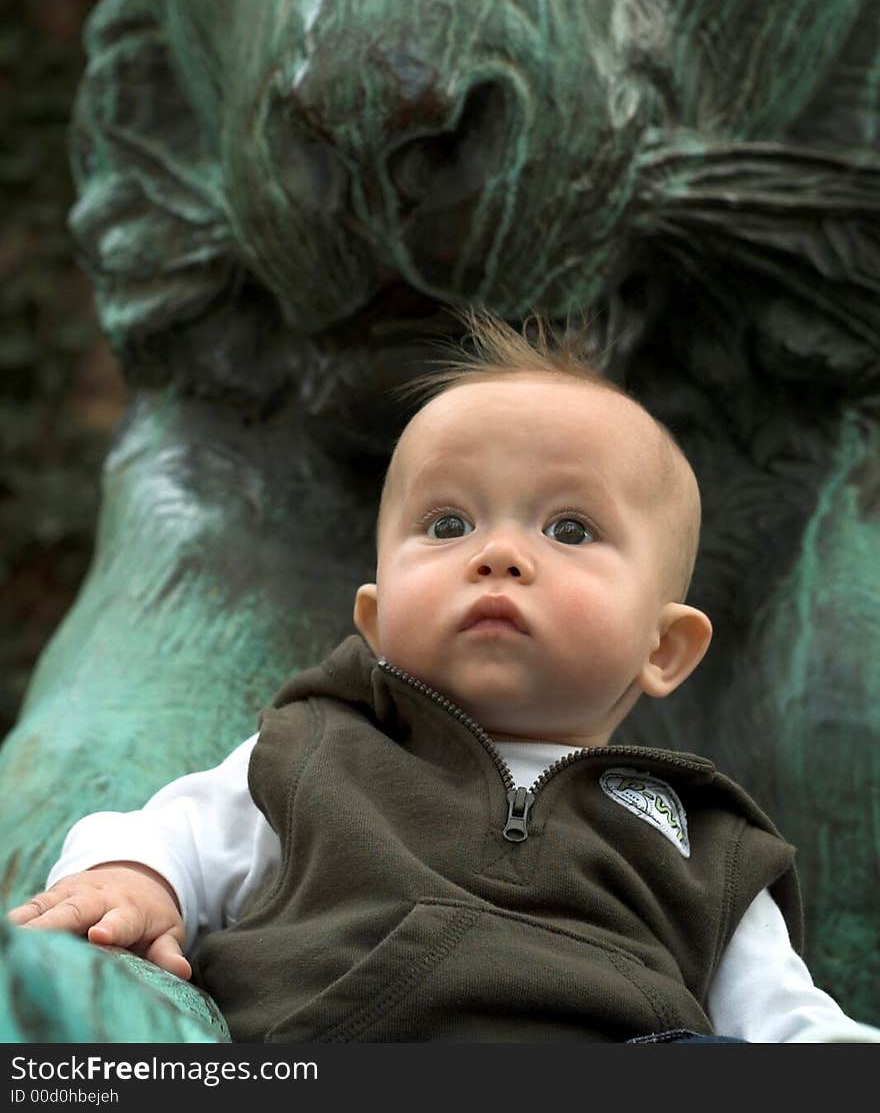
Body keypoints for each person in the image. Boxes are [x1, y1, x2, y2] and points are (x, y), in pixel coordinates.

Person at [8, 311, 880, 1043]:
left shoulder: (705, 845)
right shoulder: (313, 751)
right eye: (449, 521)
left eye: (570, 529)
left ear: (666, 648)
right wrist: (130, 884)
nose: (499, 553)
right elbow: (169, 837)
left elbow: (794, 1026)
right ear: (379, 622)